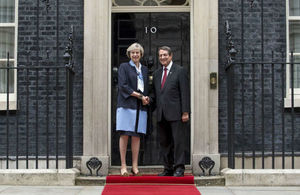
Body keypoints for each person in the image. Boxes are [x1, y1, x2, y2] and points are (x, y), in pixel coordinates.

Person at [150, 46, 190, 177]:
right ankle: (168, 168)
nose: (162, 57)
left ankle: (179, 168)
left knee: (178, 142)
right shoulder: (156, 74)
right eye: (160, 55)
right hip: (161, 114)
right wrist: (147, 101)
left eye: (165, 55)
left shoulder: (180, 71)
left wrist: (185, 112)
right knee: (165, 143)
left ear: (171, 56)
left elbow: (184, 92)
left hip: (177, 114)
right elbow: (156, 95)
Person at [116, 43, 149, 176]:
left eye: (137, 52)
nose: (135, 55)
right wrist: (140, 96)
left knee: (136, 136)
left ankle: (135, 166)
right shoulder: (124, 67)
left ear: (141, 54)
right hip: (126, 105)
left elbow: (147, 87)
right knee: (125, 134)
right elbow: (123, 86)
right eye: (132, 52)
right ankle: (123, 166)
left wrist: (146, 98)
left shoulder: (145, 69)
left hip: (140, 106)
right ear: (129, 54)